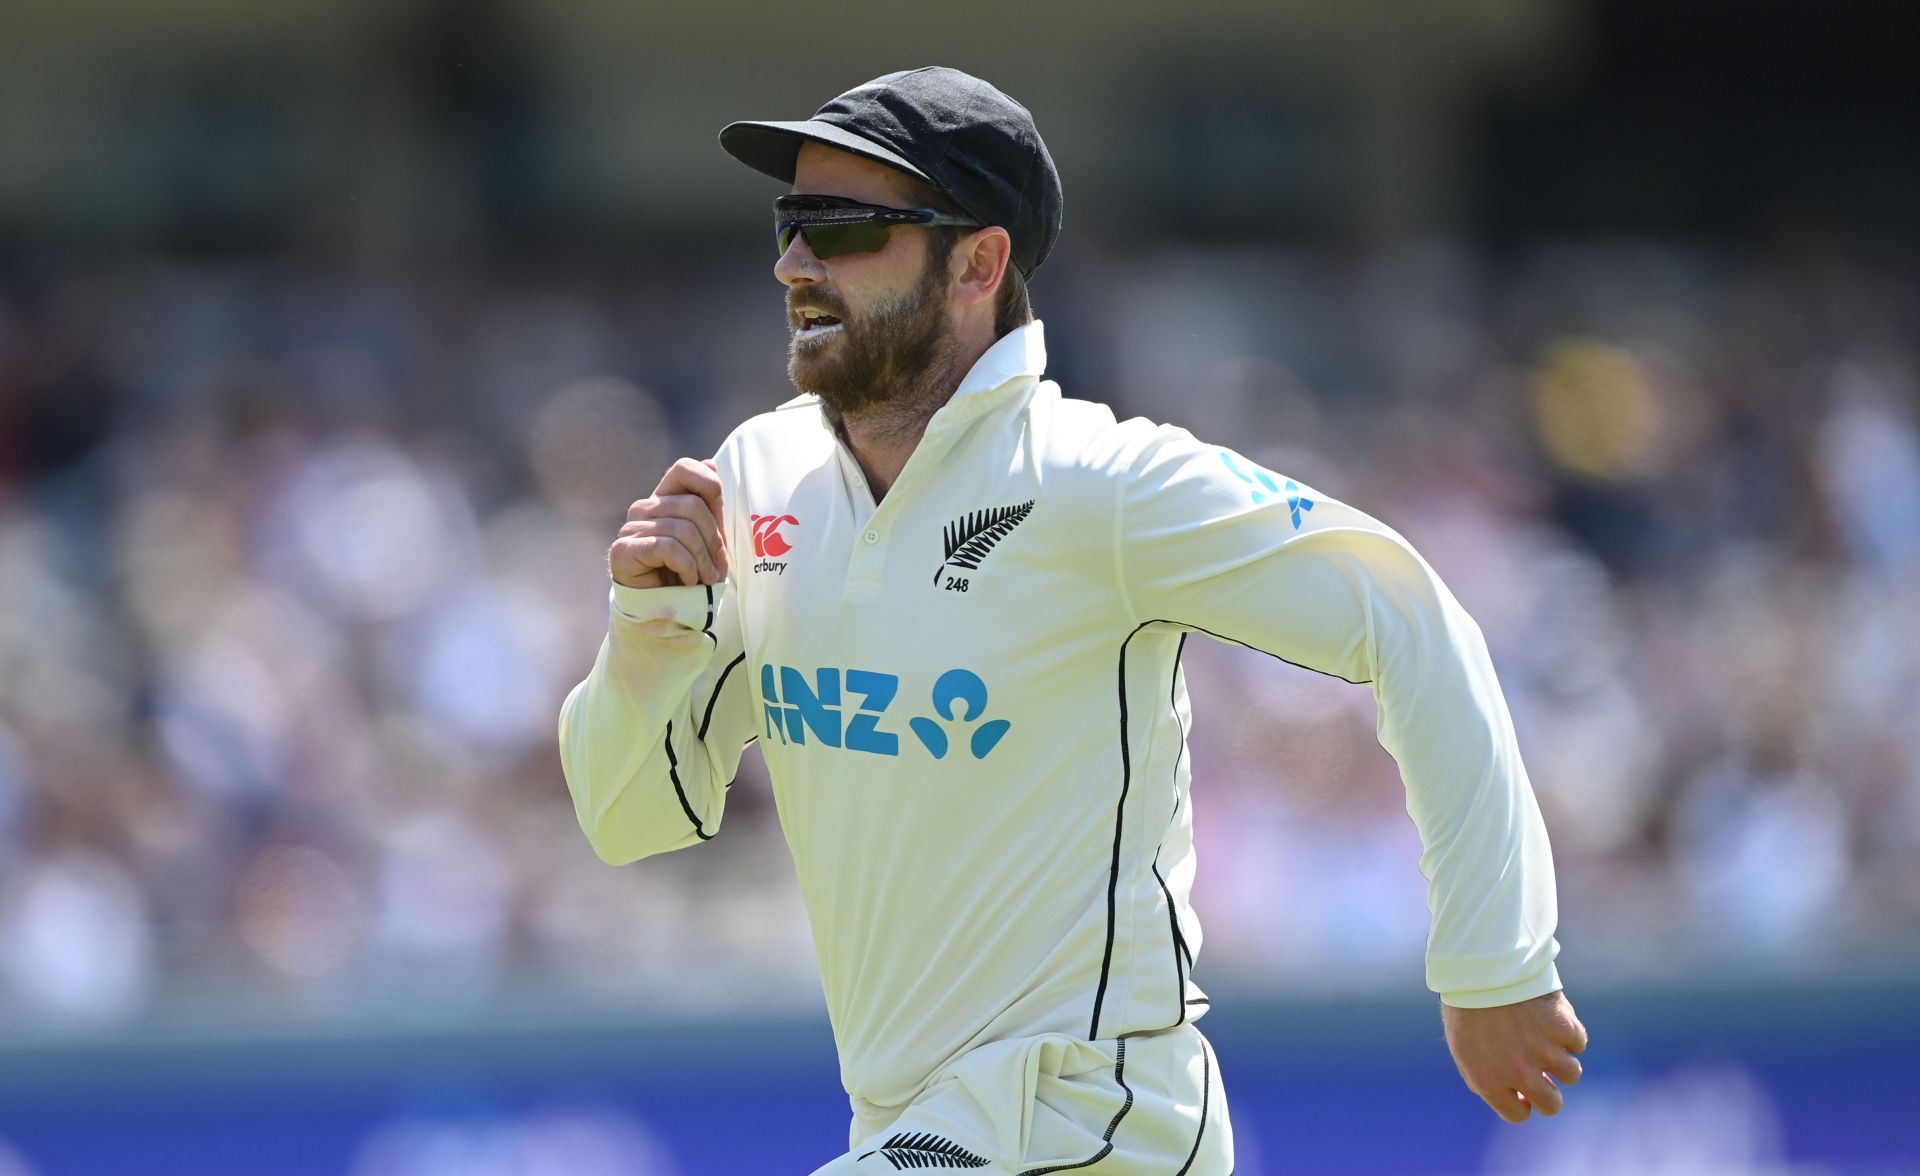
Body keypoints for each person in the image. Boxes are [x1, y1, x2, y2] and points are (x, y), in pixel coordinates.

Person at [558, 66, 1587, 1174]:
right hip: (918, 1129)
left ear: (979, 264)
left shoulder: (1102, 484)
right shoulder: (757, 477)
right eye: (790, 222)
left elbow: (1410, 612)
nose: (794, 263)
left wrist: (1496, 961)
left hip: (1096, 1119)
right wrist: (644, 636)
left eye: (844, 228)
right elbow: (630, 819)